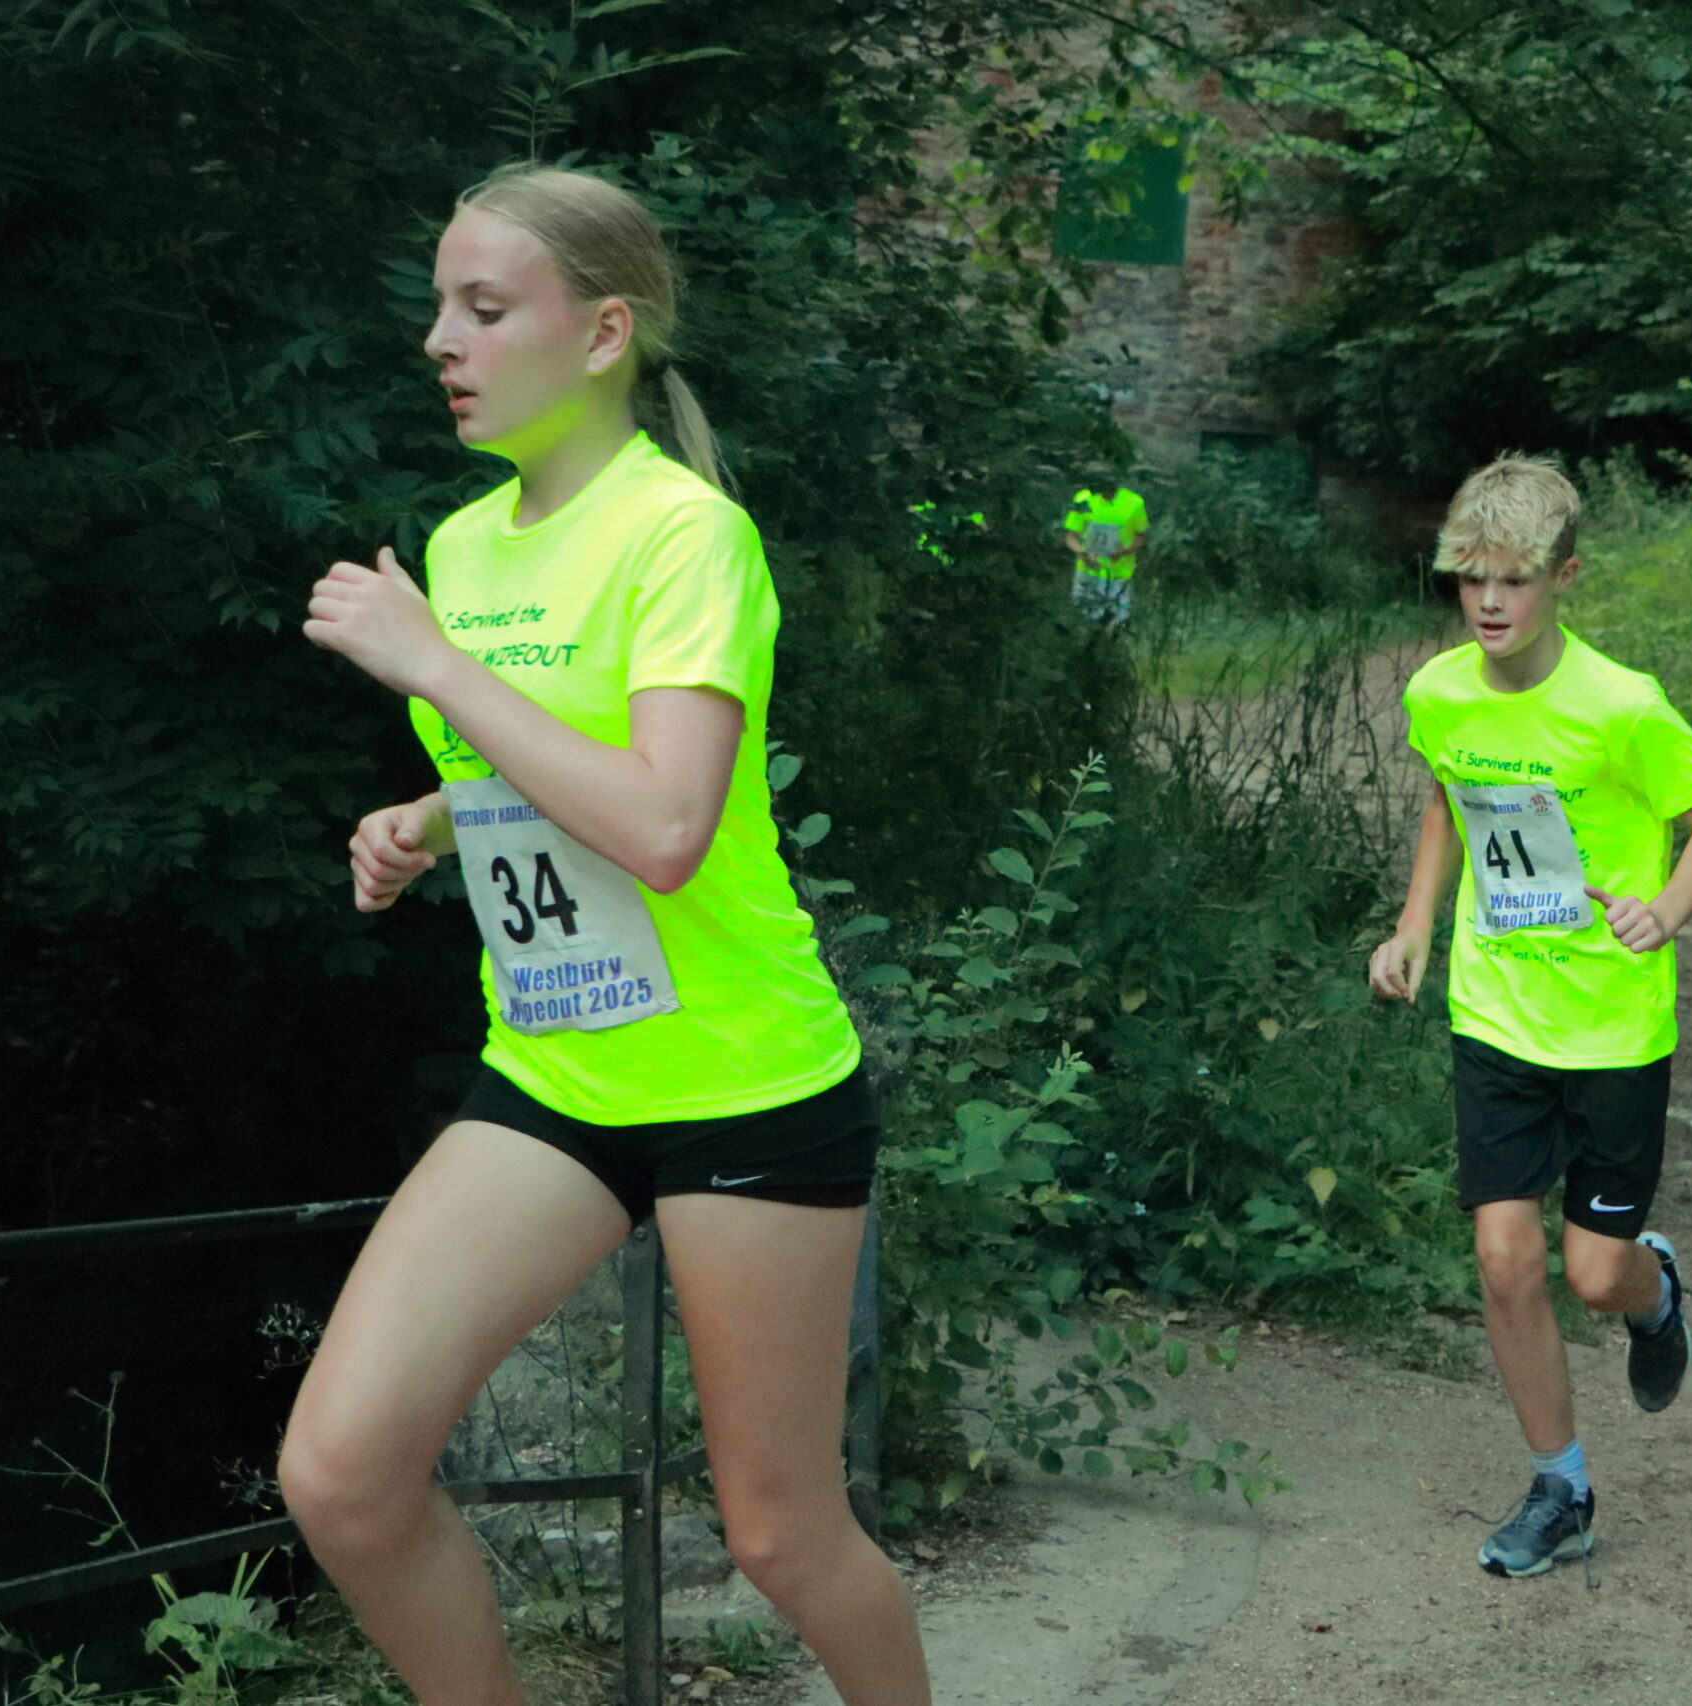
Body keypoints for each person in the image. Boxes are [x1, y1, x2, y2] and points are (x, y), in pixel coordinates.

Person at [285, 165, 931, 1706]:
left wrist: (435, 669)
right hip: (559, 1073)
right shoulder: (465, 547)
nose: (440, 340)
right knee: (343, 1474)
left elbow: (665, 822)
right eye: (439, 307)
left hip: (741, 1080)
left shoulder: (684, 536)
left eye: (483, 308)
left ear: (601, 333)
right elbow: (539, 762)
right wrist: (429, 818)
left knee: (780, 1533)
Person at [1368, 455, 1692, 1582]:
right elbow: (1448, 797)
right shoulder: (1440, 692)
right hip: (1497, 1010)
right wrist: (1416, 924)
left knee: (1594, 1273)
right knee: (1502, 1257)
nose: (1489, 603)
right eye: (1470, 579)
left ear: (1564, 577)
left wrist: (1664, 910)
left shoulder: (1623, 706)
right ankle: (1561, 1488)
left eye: (1515, 580)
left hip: (1613, 1026)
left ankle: (1653, 1291)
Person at [1062, 477, 1146, 624]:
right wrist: (1082, 553)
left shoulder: (1134, 502)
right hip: (1087, 573)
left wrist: (1124, 551)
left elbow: (1141, 537)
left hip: (1118, 574)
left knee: (1116, 623)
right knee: (1083, 621)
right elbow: (1071, 536)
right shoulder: (1083, 498)